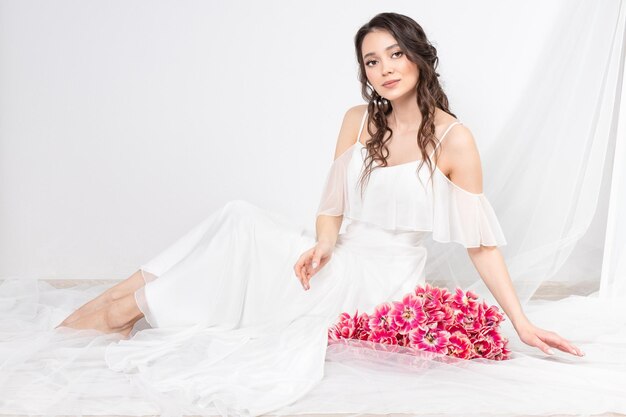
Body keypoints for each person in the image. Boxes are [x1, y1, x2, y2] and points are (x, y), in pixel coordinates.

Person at [4, 11, 594, 417]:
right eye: (370, 61)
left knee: (236, 230)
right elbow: (331, 205)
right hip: (341, 259)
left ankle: (119, 310)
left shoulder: (454, 140)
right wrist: (323, 244)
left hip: (381, 283)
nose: (384, 68)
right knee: (237, 220)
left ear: (418, 57)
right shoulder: (357, 121)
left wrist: (519, 321)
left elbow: (481, 245)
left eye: (394, 53)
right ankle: (120, 307)